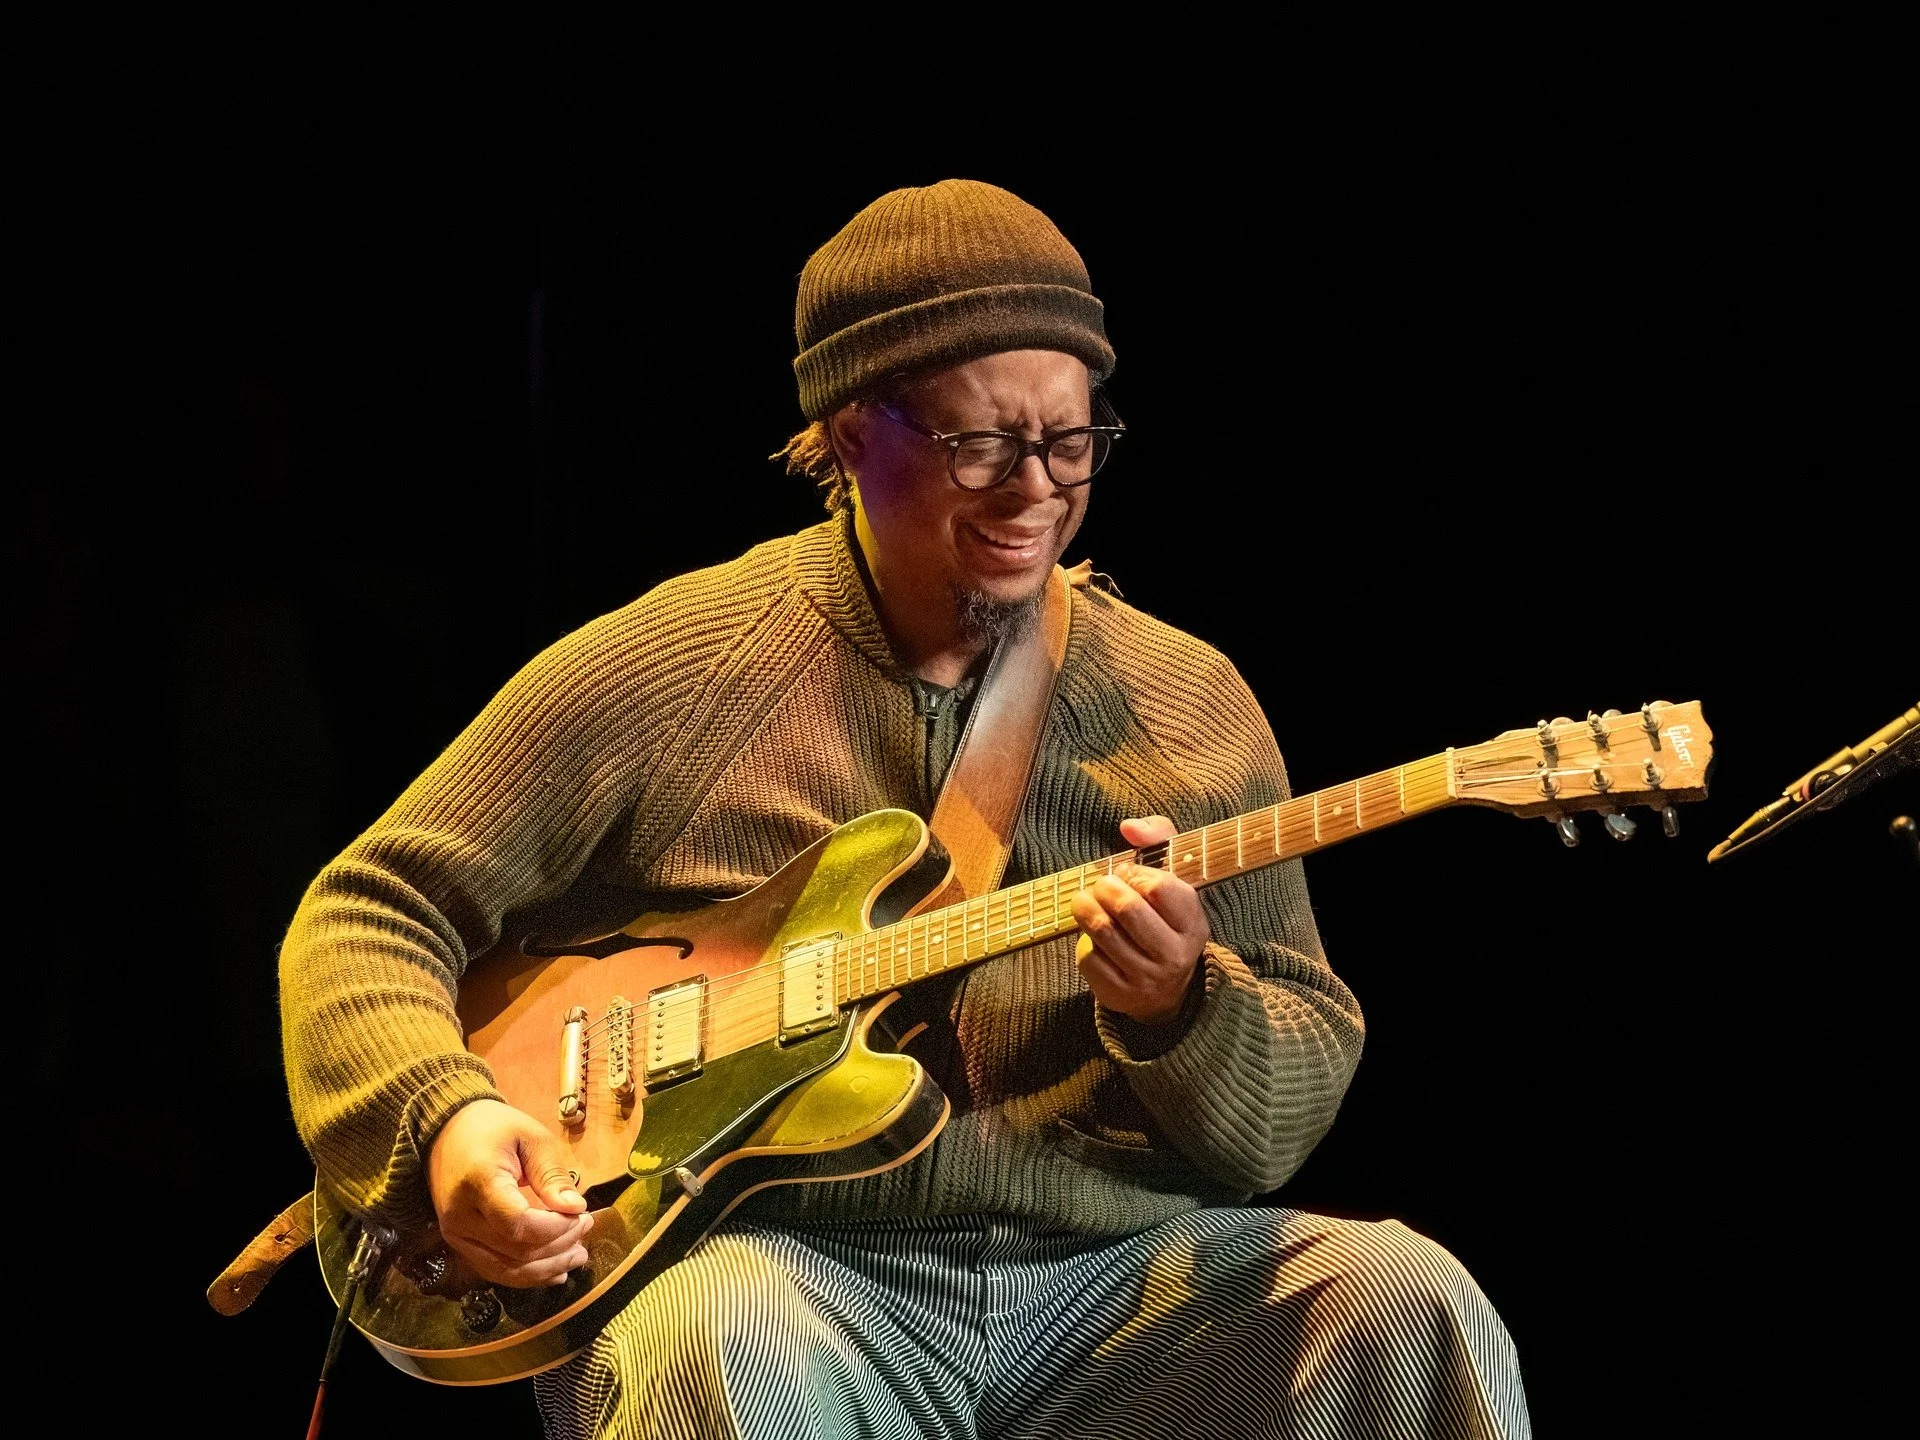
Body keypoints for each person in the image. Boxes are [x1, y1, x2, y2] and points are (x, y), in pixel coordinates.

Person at [279, 178, 1530, 1439]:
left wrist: (1182, 1005)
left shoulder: (1187, 701)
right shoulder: (676, 667)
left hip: (1113, 1297)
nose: (1034, 490)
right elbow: (369, 912)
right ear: (847, 432)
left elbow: (1284, 1114)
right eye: (981, 444)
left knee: (1402, 1299)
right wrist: (449, 1117)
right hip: (798, 1287)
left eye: (1072, 442)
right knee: (719, 1334)